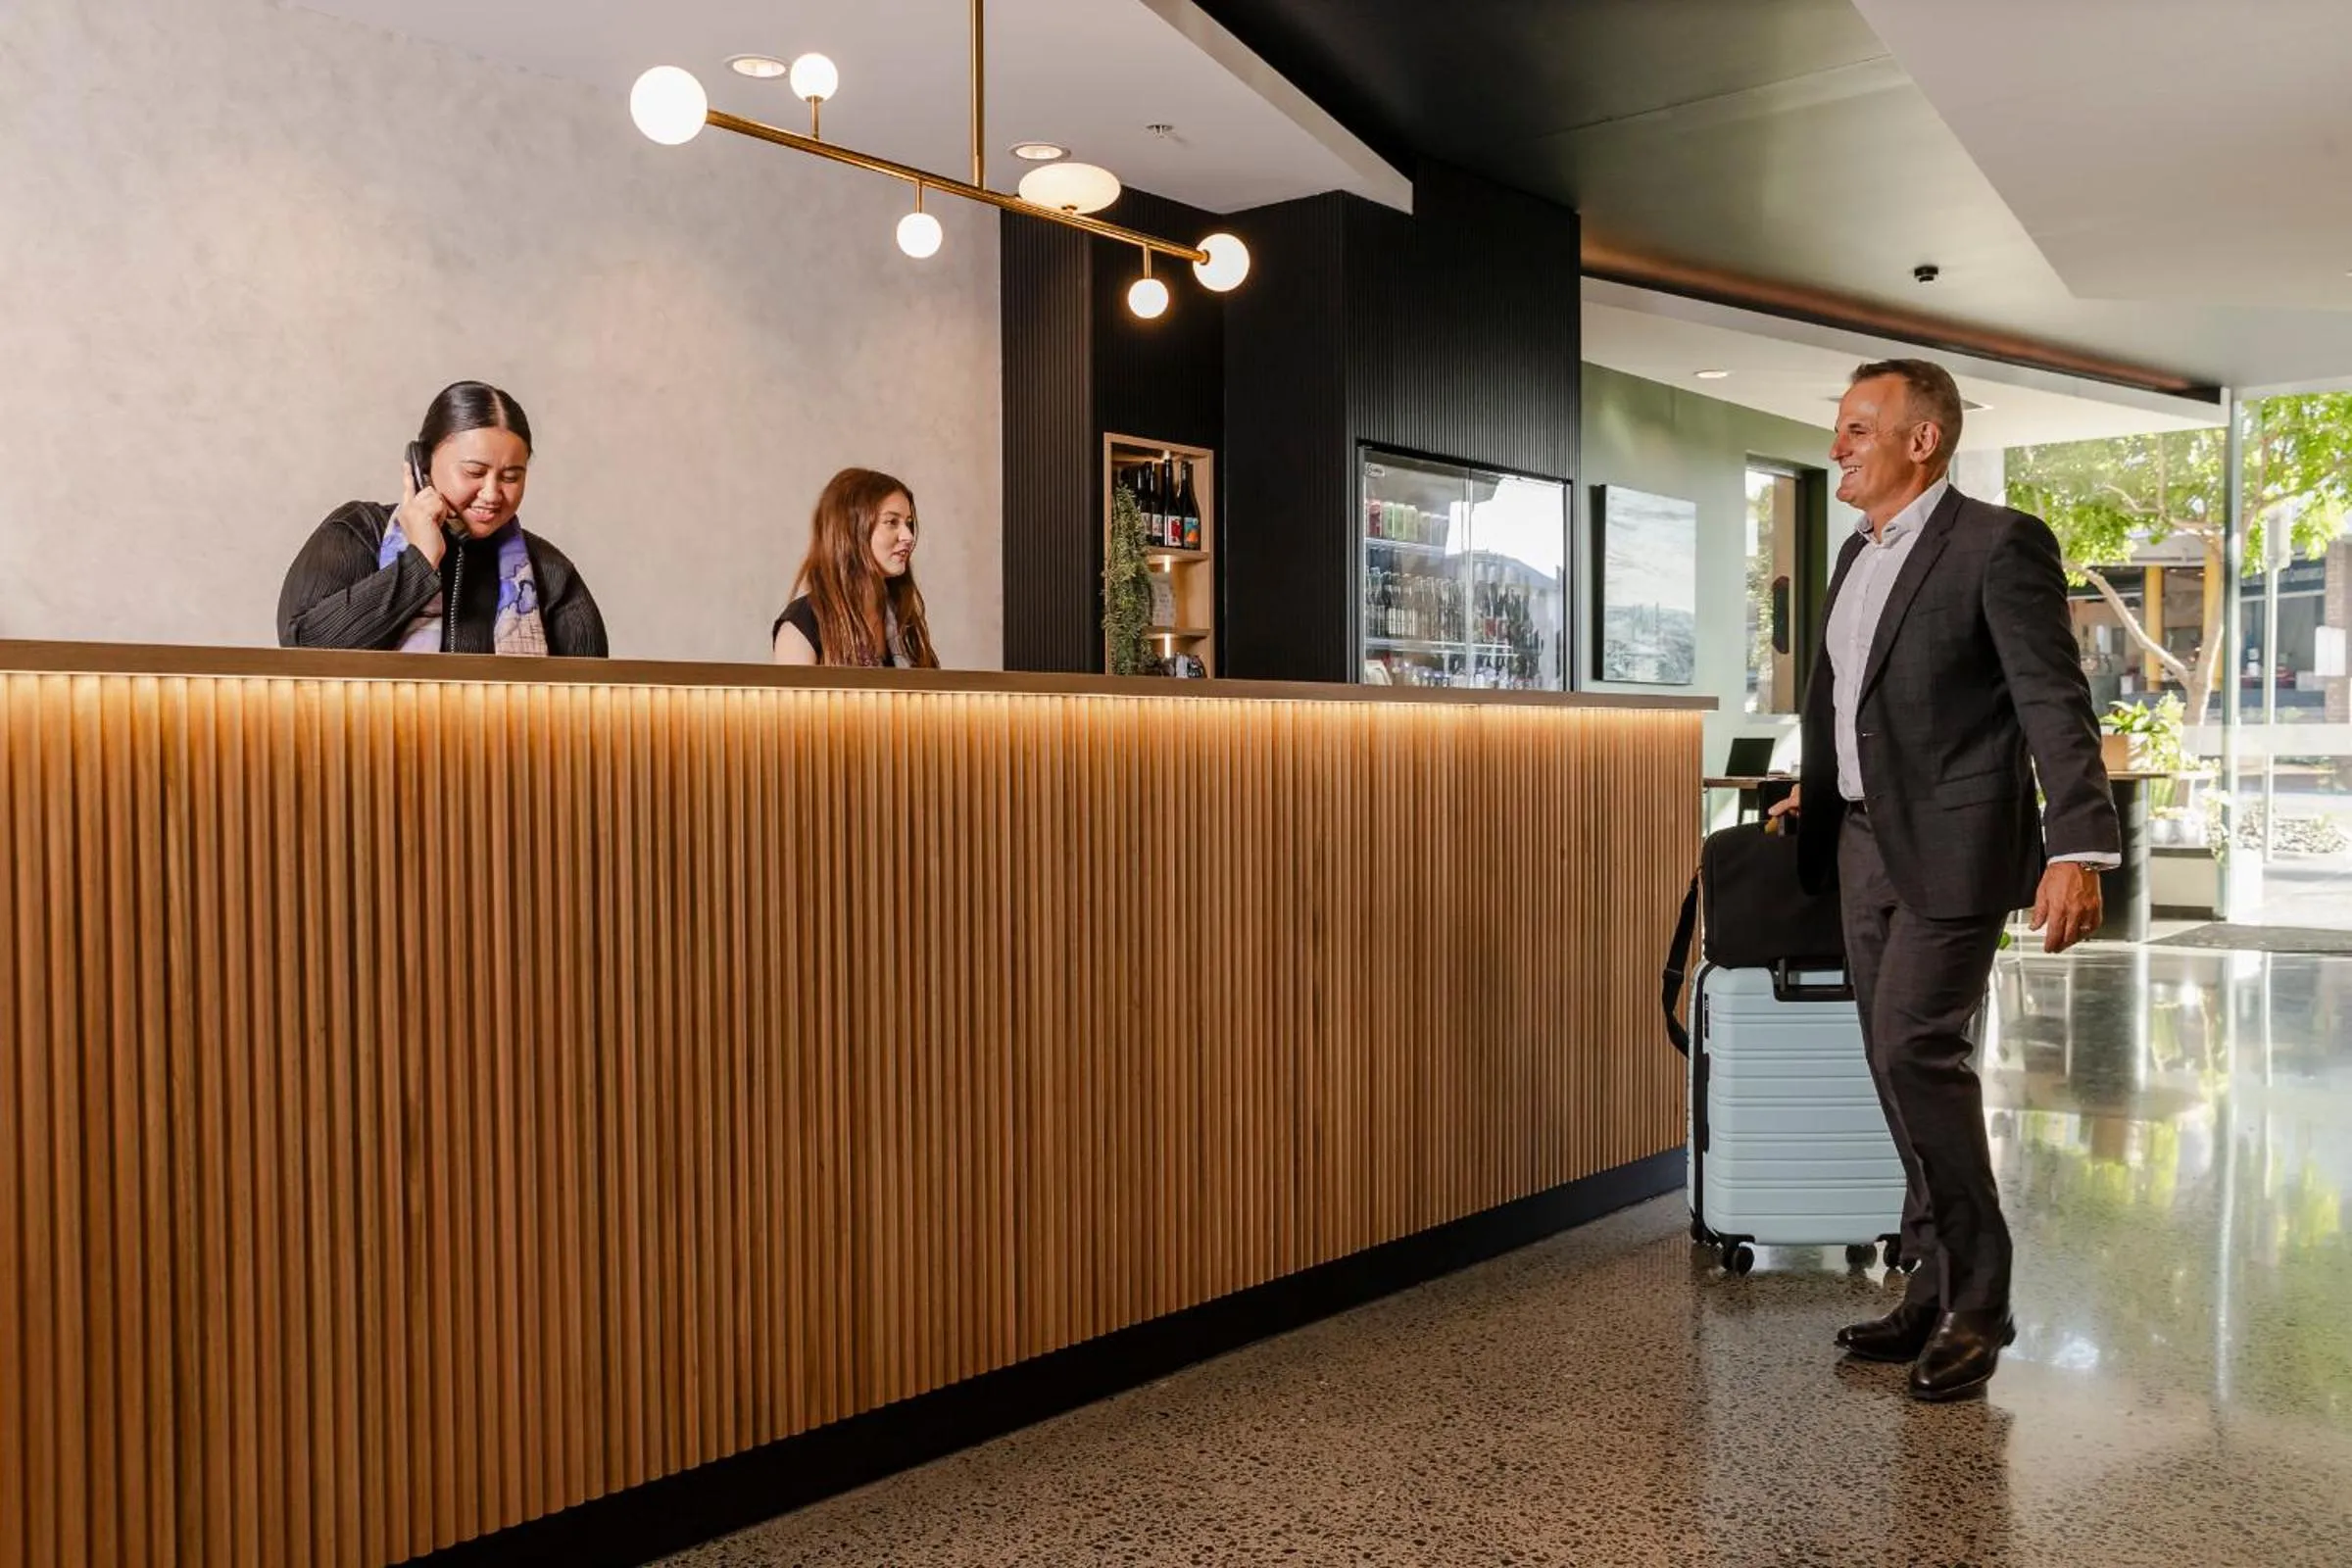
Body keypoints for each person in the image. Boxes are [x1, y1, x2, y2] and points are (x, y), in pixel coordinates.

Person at [1769, 358, 2117, 1402]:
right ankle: (1929, 1271)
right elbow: (1849, 699)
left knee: (1917, 1051)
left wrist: (2079, 846)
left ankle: (1982, 1299)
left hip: (1957, 847)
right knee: (1888, 1060)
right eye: (1839, 427)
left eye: (1858, 428)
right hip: (1860, 843)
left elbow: (2052, 701)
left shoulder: (1996, 544)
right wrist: (1813, 791)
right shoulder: (1852, 553)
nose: (1838, 445)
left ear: (1923, 441)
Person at [278, 381, 609, 657]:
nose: (492, 494)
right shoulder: (357, 531)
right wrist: (419, 563)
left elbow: (593, 701)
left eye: (511, 476)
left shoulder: (549, 572)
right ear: (423, 464)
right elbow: (305, 648)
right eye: (474, 472)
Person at [772, 467, 941, 667]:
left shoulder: (904, 623)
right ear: (851, 530)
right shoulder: (804, 625)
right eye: (892, 522)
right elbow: (796, 699)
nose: (908, 537)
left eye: (909, 523)